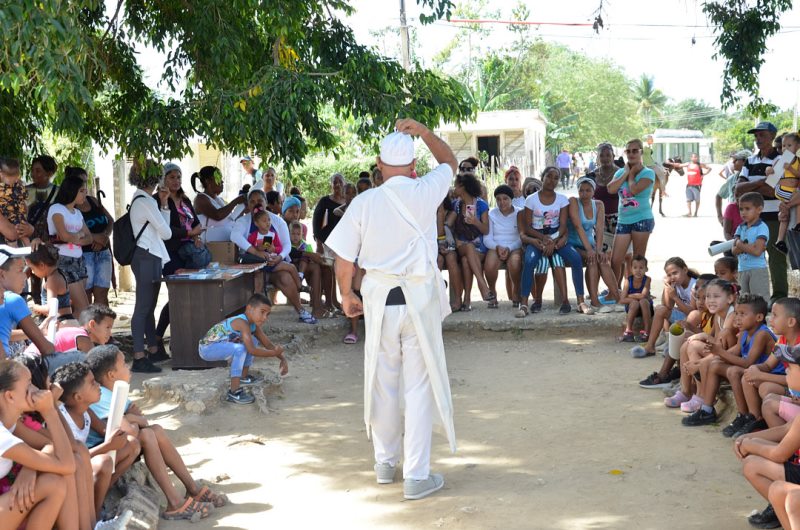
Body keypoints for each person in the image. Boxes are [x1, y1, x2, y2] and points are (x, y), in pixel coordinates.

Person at [326, 118, 457, 500]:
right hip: (419, 301)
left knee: (382, 382)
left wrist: (346, 294)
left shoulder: (364, 201)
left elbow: (344, 258)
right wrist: (426, 133)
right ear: (414, 167)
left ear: (379, 167)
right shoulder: (426, 188)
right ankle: (417, 475)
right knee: (418, 386)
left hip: (380, 302)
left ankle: (385, 464)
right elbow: (449, 160)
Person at [85, 344, 226, 520]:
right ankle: (175, 503)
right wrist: (133, 420)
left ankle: (193, 489)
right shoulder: (103, 396)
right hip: (103, 453)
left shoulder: (115, 391)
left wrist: (132, 419)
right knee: (147, 434)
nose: (129, 367)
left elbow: (142, 419)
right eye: (123, 364)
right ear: (111, 374)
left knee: (156, 430)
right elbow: (132, 428)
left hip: (120, 447)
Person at [0, 358, 74, 529]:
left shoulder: (10, 422)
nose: (35, 390)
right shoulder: (2, 436)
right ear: (10, 396)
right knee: (53, 484)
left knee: (54, 481)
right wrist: (49, 411)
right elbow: (68, 465)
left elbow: (50, 445)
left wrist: (30, 467)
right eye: (28, 386)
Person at [684, 293, 774, 427]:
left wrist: (719, 352)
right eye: (736, 313)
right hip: (751, 369)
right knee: (714, 365)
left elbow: (748, 362)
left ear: (759, 317)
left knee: (733, 371)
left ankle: (744, 415)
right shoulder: (744, 332)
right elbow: (734, 351)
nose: (737, 318)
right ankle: (707, 410)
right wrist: (701, 362)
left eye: (743, 314)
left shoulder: (762, 334)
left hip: (767, 373)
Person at [231, 189, 317, 324]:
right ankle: (252, 318)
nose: (256, 204)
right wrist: (257, 252)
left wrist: (279, 257)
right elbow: (234, 236)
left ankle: (300, 310)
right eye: (252, 201)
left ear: (266, 203)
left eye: (260, 200)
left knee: (285, 276)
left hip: (273, 263)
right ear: (248, 205)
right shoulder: (243, 221)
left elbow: (286, 245)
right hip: (254, 266)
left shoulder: (276, 221)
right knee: (254, 281)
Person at [50, 362, 119, 523]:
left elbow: (104, 430)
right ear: (78, 397)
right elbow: (71, 455)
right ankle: (94, 517)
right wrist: (107, 446)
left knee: (131, 446)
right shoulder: (62, 418)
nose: (98, 385)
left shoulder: (86, 411)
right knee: (105, 462)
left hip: (83, 466)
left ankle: (98, 506)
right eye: (92, 383)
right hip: (71, 470)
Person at [517, 167, 588, 317]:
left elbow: (562, 226)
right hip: (537, 237)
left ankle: (580, 301)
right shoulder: (531, 200)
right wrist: (542, 239)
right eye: (549, 176)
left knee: (575, 258)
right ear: (542, 177)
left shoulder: (562, 200)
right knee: (529, 261)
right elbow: (528, 227)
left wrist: (553, 241)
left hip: (556, 236)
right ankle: (523, 304)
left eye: (556, 178)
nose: (552, 180)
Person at [199, 294, 288, 404]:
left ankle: (243, 377)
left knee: (253, 341)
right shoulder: (241, 322)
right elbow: (251, 350)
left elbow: (268, 344)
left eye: (267, 314)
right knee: (240, 349)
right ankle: (234, 392)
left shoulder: (253, 326)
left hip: (220, 345)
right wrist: (273, 353)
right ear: (249, 309)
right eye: (262, 312)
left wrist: (282, 359)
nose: (265, 317)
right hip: (207, 348)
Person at [665, 279, 737, 412]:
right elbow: (714, 341)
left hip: (731, 358)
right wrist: (698, 335)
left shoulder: (731, 317)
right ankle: (686, 391)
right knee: (687, 345)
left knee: (693, 346)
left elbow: (725, 349)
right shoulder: (718, 315)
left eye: (716, 296)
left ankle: (701, 395)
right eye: (708, 296)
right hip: (720, 354)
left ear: (730, 298)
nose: (710, 300)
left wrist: (699, 362)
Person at [128, 159, 172, 373]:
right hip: (147, 256)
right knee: (143, 307)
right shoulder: (144, 201)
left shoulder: (145, 200)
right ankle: (139, 356)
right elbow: (167, 233)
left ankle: (153, 350)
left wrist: (164, 203)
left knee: (149, 307)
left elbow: (163, 230)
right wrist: (161, 206)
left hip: (151, 255)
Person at [736, 121, 785, 304]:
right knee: (749, 254)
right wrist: (764, 181)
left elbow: (774, 191)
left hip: (773, 215)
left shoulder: (781, 160)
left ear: (772, 136)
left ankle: (779, 296)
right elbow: (738, 187)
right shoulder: (750, 160)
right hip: (750, 218)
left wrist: (752, 187)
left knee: (775, 257)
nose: (758, 139)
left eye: (762, 135)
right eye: (756, 136)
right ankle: (754, 296)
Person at [567, 176, 622, 310]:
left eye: (588, 191)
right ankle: (594, 300)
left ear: (593, 191)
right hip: (573, 243)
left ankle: (618, 298)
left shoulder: (598, 204)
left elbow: (599, 228)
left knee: (602, 259)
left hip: (589, 243)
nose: (584, 194)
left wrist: (598, 249)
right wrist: (590, 250)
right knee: (592, 258)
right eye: (581, 191)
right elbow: (578, 226)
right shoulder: (573, 201)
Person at [634, 257, 698, 374]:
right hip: (682, 316)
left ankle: (671, 348)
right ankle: (650, 346)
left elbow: (692, 312)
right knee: (660, 309)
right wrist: (667, 286)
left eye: (675, 273)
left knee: (670, 312)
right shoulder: (676, 284)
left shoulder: (694, 285)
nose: (673, 277)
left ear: (685, 269)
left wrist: (675, 297)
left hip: (694, 320)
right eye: (669, 275)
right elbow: (667, 305)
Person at [607, 139, 656, 288]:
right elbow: (611, 189)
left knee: (638, 260)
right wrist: (626, 173)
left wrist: (631, 174)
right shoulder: (621, 172)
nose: (632, 154)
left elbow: (634, 190)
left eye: (635, 150)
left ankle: (638, 291)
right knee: (615, 259)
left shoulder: (648, 173)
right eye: (628, 151)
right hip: (623, 220)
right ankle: (615, 291)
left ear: (641, 152)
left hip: (642, 219)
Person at [48, 174, 94, 317]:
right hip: (63, 260)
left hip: (79, 261)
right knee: (83, 307)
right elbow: (64, 235)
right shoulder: (57, 209)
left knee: (77, 307)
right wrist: (78, 236)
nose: (85, 194)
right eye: (82, 191)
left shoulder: (78, 213)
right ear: (72, 190)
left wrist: (75, 238)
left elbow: (89, 238)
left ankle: (71, 335)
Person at [0, 245, 57, 359]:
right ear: (2, 274)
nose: (25, 277)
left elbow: (5, 334)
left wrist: (39, 330)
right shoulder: (12, 300)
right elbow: (47, 349)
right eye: (20, 270)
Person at [447, 172, 493, 307]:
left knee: (466, 261)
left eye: (456, 185)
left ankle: (466, 299)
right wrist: (455, 240)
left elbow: (486, 230)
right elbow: (448, 226)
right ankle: (483, 286)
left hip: (479, 247)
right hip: (461, 244)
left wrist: (475, 222)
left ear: (463, 187)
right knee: (468, 247)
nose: (454, 188)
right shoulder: (456, 205)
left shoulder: (481, 205)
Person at [72, 168, 114, 307]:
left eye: (85, 181)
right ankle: (86, 328)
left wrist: (105, 237)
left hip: (103, 253)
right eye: (80, 181)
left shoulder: (93, 201)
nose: (84, 185)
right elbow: (70, 232)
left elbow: (110, 220)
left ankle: (103, 327)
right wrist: (95, 238)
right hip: (84, 255)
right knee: (86, 296)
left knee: (102, 295)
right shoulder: (68, 209)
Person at [483, 185, 522, 311]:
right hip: (496, 246)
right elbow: (487, 239)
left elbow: (522, 237)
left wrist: (509, 248)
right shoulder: (491, 214)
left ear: (511, 199)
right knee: (489, 264)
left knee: (515, 262)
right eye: (498, 199)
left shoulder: (519, 213)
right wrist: (498, 247)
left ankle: (516, 289)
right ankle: (492, 291)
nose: (501, 202)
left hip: (514, 246)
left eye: (505, 199)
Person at [312, 173, 347, 314]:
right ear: (331, 185)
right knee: (329, 272)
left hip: (345, 244)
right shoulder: (324, 201)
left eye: (340, 182)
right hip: (328, 244)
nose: (337, 185)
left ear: (344, 183)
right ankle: (331, 301)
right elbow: (316, 223)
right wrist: (319, 244)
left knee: (343, 273)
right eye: (334, 182)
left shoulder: (349, 201)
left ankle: (342, 302)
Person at [192, 166, 246, 243]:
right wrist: (236, 201)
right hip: (210, 246)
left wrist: (243, 207)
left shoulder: (219, 200)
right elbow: (217, 215)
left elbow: (231, 219)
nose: (222, 182)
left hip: (225, 246)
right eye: (218, 178)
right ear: (208, 181)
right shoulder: (201, 199)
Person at [733, 192, 771, 301]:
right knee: (744, 302)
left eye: (747, 209)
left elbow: (757, 251)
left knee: (759, 302)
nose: (743, 212)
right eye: (741, 209)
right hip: (742, 269)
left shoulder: (762, 227)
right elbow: (734, 251)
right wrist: (749, 246)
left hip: (757, 270)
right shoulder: (741, 227)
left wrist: (740, 244)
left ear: (759, 209)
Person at [27, 243, 75, 322]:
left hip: (60, 322)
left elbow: (51, 308)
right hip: (64, 319)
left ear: (42, 265)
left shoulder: (52, 280)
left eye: (32, 268)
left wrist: (35, 307)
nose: (32, 271)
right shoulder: (58, 273)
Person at [771, 132, 800, 254]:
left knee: (784, 216)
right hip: (782, 190)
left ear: (797, 146)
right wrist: (769, 171)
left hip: (789, 192)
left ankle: (779, 241)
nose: (785, 149)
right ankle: (798, 224)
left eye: (789, 145)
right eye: (783, 146)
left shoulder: (796, 162)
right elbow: (772, 178)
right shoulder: (781, 161)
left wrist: (791, 169)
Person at [618, 255, 652, 343]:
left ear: (646, 269)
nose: (638, 270)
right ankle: (628, 331)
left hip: (646, 307)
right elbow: (622, 300)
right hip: (633, 308)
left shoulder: (647, 280)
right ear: (631, 269)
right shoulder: (628, 281)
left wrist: (629, 296)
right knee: (634, 303)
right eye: (635, 267)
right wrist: (634, 298)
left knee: (643, 301)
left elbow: (643, 296)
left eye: (641, 268)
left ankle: (647, 332)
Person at [0, 158, 30, 246]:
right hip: (17, 216)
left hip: (10, 216)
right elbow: (25, 200)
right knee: (23, 236)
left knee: (18, 237)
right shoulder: (20, 186)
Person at [643, 135, 668, 217]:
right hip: (648, 165)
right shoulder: (645, 146)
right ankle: (662, 190)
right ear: (647, 140)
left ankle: (662, 190)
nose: (652, 140)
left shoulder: (648, 146)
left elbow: (648, 156)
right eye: (650, 139)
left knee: (662, 171)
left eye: (652, 139)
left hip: (650, 163)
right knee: (662, 174)